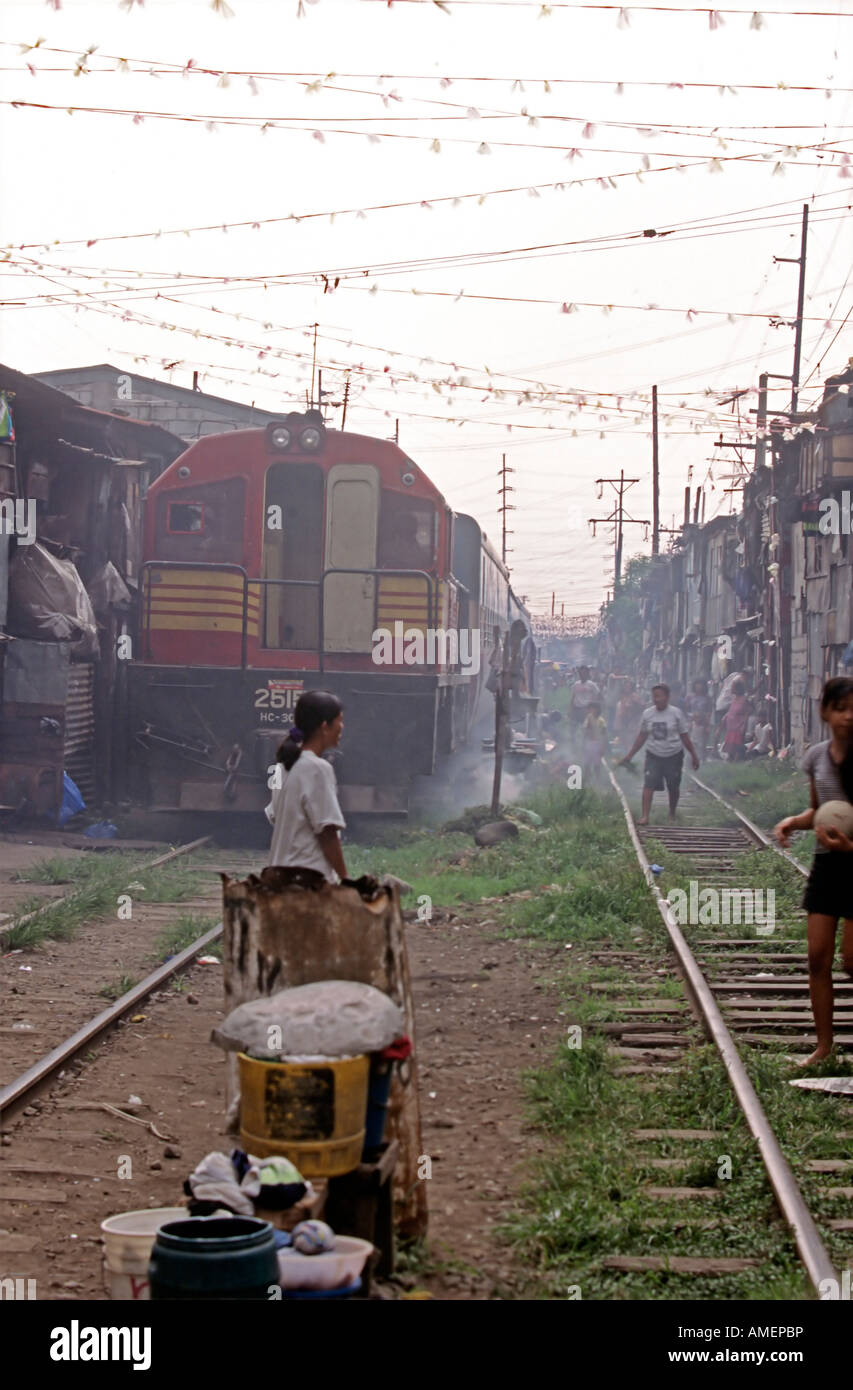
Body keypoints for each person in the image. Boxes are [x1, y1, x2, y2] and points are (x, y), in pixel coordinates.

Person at [773, 676, 853, 1066]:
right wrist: (793, 821)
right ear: (825, 712)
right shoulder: (817, 758)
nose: (849, 717)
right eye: (841, 708)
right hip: (827, 865)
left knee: (852, 960)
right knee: (818, 958)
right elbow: (820, 811)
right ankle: (824, 1046)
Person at [265, 690, 348, 883]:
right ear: (324, 726)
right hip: (307, 881)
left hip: (277, 878)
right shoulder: (318, 769)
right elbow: (327, 833)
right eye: (339, 721)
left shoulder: (281, 766)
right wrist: (346, 878)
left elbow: (274, 816)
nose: (342, 727)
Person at [617, 683, 700, 824]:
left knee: (673, 786)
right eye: (654, 696)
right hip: (653, 754)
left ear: (667, 697)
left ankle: (672, 813)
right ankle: (645, 816)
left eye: (659, 696)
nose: (656, 699)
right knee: (648, 784)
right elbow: (641, 736)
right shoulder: (647, 714)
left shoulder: (676, 713)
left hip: (673, 755)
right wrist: (629, 755)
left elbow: (684, 736)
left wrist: (694, 755)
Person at [568, 665, 602, 748]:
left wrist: (594, 708)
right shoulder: (576, 685)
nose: (582, 674)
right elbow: (573, 697)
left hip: (586, 710)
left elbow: (598, 695)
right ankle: (573, 745)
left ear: (587, 674)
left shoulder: (592, 685)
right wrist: (570, 709)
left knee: (586, 729)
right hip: (576, 709)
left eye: (584, 673)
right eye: (580, 673)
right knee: (573, 728)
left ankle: (586, 745)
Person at [720, 679, 752, 762]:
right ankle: (730, 758)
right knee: (730, 743)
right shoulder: (734, 699)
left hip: (738, 725)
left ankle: (737, 759)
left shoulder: (744, 700)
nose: (731, 689)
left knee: (737, 743)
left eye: (733, 687)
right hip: (731, 725)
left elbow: (747, 712)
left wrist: (744, 724)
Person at [685, 679, 714, 762]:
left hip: (703, 722)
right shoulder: (690, 697)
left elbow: (709, 712)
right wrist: (690, 721)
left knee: (702, 742)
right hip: (692, 722)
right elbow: (686, 709)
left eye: (701, 685)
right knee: (691, 741)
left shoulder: (707, 698)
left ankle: (702, 759)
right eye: (697, 684)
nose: (699, 687)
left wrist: (707, 724)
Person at [582, 701, 609, 786]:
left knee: (597, 765)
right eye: (590, 709)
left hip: (598, 744)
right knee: (586, 763)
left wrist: (603, 748)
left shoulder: (601, 721)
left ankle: (598, 782)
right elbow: (586, 729)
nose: (591, 710)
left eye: (592, 709)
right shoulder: (589, 717)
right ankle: (586, 781)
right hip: (589, 743)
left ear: (597, 710)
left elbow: (604, 736)